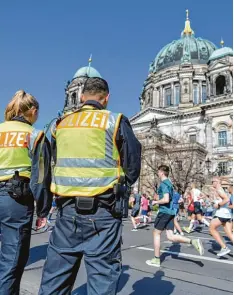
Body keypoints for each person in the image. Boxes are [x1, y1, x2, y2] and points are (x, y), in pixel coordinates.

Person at [38, 77, 141, 295]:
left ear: (82, 97)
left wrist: (45, 206)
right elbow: (133, 165)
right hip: (103, 211)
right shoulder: (115, 121)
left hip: (66, 212)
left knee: (55, 280)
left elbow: (46, 166)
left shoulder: (60, 124)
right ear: (106, 99)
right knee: (102, 281)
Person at [0, 90, 52, 294]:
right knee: (10, 261)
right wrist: (43, 210)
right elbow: (41, 176)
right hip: (16, 201)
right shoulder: (35, 135)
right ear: (33, 111)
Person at [146, 165, 204, 268]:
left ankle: (156, 259)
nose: (158, 174)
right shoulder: (170, 184)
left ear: (162, 172)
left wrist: (155, 201)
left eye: (158, 172)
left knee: (156, 233)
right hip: (171, 212)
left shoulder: (164, 184)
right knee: (170, 236)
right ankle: (192, 241)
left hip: (164, 211)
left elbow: (166, 199)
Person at [209, 177, 233, 257]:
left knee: (211, 229)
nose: (212, 183)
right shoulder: (219, 190)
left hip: (222, 214)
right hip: (226, 214)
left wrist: (218, 205)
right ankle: (224, 247)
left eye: (213, 182)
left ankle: (224, 247)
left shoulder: (219, 190)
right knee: (229, 233)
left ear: (217, 182)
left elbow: (226, 199)